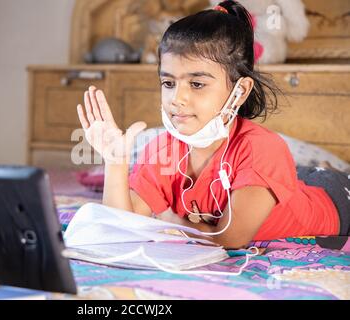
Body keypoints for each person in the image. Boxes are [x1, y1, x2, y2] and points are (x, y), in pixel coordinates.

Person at [76, 0, 349, 249]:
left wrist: (171, 219)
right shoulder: (162, 150)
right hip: (293, 181)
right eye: (168, 83)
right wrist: (115, 162)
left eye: (197, 84)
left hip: (336, 197)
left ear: (240, 92)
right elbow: (121, 227)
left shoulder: (262, 148)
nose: (177, 99)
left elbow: (229, 238)